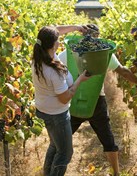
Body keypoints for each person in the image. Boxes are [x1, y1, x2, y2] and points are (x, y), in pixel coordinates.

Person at [58, 24, 137, 176]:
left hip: (74, 99)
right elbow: (122, 71)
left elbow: (54, 73)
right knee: (107, 138)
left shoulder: (67, 53)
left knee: (62, 139)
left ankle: (54, 171)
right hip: (96, 101)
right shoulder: (103, 54)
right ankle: (116, 173)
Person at [32, 25, 91, 176]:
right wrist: (80, 80)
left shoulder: (40, 57)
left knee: (54, 146)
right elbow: (64, 98)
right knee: (65, 153)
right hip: (57, 115)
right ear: (53, 44)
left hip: (45, 110)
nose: (60, 40)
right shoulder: (53, 71)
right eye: (58, 40)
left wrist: (77, 28)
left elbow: (55, 30)